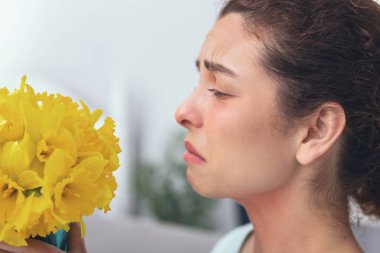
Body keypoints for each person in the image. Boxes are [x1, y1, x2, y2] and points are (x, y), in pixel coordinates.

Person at [175, 0, 380, 252]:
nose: (182, 112)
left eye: (220, 91)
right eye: (199, 82)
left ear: (316, 130)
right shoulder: (230, 247)